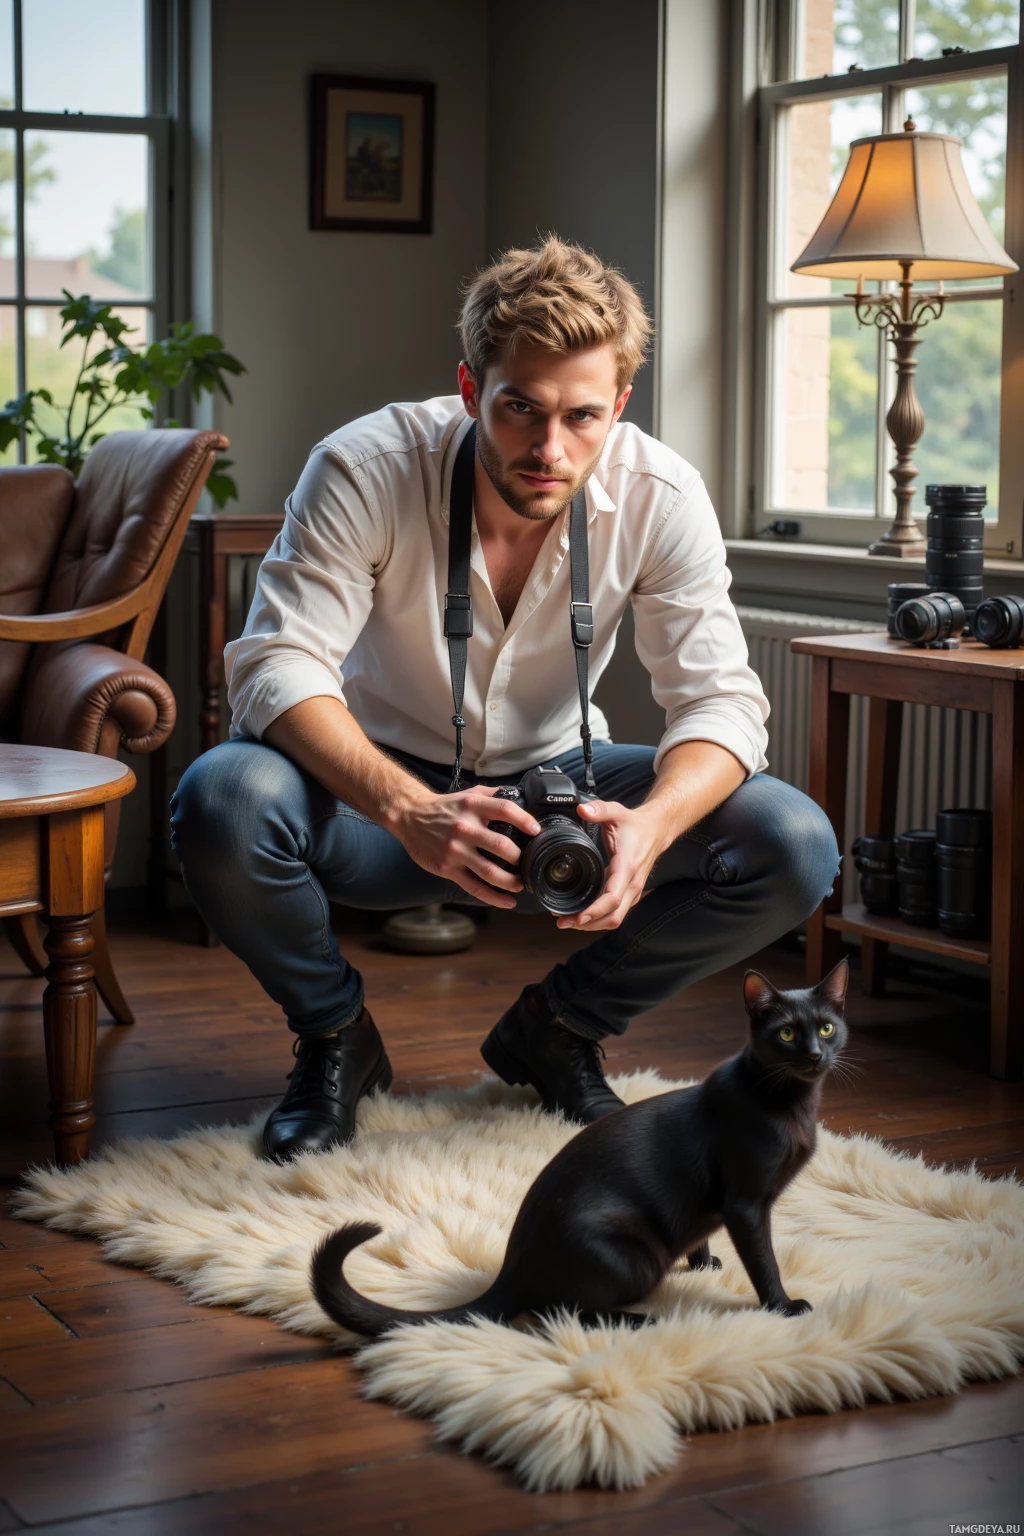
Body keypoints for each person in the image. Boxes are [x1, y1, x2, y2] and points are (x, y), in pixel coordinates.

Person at [171, 236, 839, 1164]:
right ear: (469, 388)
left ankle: (562, 1028)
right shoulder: (364, 466)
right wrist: (410, 807)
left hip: (557, 786)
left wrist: (649, 830)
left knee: (793, 841)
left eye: (582, 417)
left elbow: (722, 701)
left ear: (621, 406)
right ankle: (335, 1038)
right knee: (224, 796)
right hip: (373, 798)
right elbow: (274, 665)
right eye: (520, 408)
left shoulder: (661, 493)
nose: (549, 449)